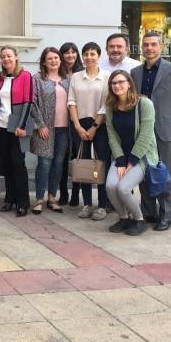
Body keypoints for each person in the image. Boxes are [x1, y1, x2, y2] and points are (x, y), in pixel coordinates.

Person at [130, 32, 171, 231]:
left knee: (164, 172)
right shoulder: (135, 72)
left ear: (161, 47)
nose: (149, 48)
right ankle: (149, 212)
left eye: (153, 44)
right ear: (141, 47)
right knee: (144, 171)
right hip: (141, 131)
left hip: (164, 130)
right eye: (145, 44)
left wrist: (170, 121)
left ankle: (166, 213)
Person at [105, 70, 158, 236]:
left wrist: (131, 162)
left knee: (123, 188)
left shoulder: (144, 103)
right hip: (121, 156)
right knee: (110, 186)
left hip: (141, 157)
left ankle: (139, 220)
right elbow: (112, 135)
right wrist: (120, 161)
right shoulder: (110, 106)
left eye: (121, 82)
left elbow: (146, 136)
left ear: (129, 84)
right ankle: (123, 218)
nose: (117, 86)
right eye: (114, 83)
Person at [0, 46, 34, 216]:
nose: (6, 59)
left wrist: (21, 127)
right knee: (6, 163)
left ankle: (22, 202)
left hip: (17, 127)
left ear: (16, 57)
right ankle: (9, 199)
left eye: (9, 56)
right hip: (2, 125)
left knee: (18, 164)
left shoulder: (25, 76)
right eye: (3, 56)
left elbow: (28, 102)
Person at [68, 42, 111, 221]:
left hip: (99, 124)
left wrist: (94, 127)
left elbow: (106, 105)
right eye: (85, 54)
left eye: (92, 54)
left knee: (101, 164)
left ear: (99, 56)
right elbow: (72, 102)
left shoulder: (107, 77)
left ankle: (102, 205)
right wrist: (78, 126)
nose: (89, 57)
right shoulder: (76, 77)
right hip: (79, 124)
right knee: (84, 165)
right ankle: (87, 204)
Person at [31, 47, 70, 214]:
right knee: (44, 163)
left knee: (58, 164)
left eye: (56, 58)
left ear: (60, 60)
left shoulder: (68, 79)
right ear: (44, 62)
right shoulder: (37, 79)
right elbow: (32, 103)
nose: (53, 61)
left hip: (64, 129)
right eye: (50, 59)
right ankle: (39, 198)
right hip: (45, 129)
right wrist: (40, 125)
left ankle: (52, 198)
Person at [58, 42, 84, 205]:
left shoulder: (82, 72)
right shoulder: (57, 73)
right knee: (61, 158)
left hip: (78, 121)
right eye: (66, 53)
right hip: (60, 121)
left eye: (73, 52)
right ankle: (63, 193)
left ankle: (75, 193)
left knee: (77, 157)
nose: (70, 55)